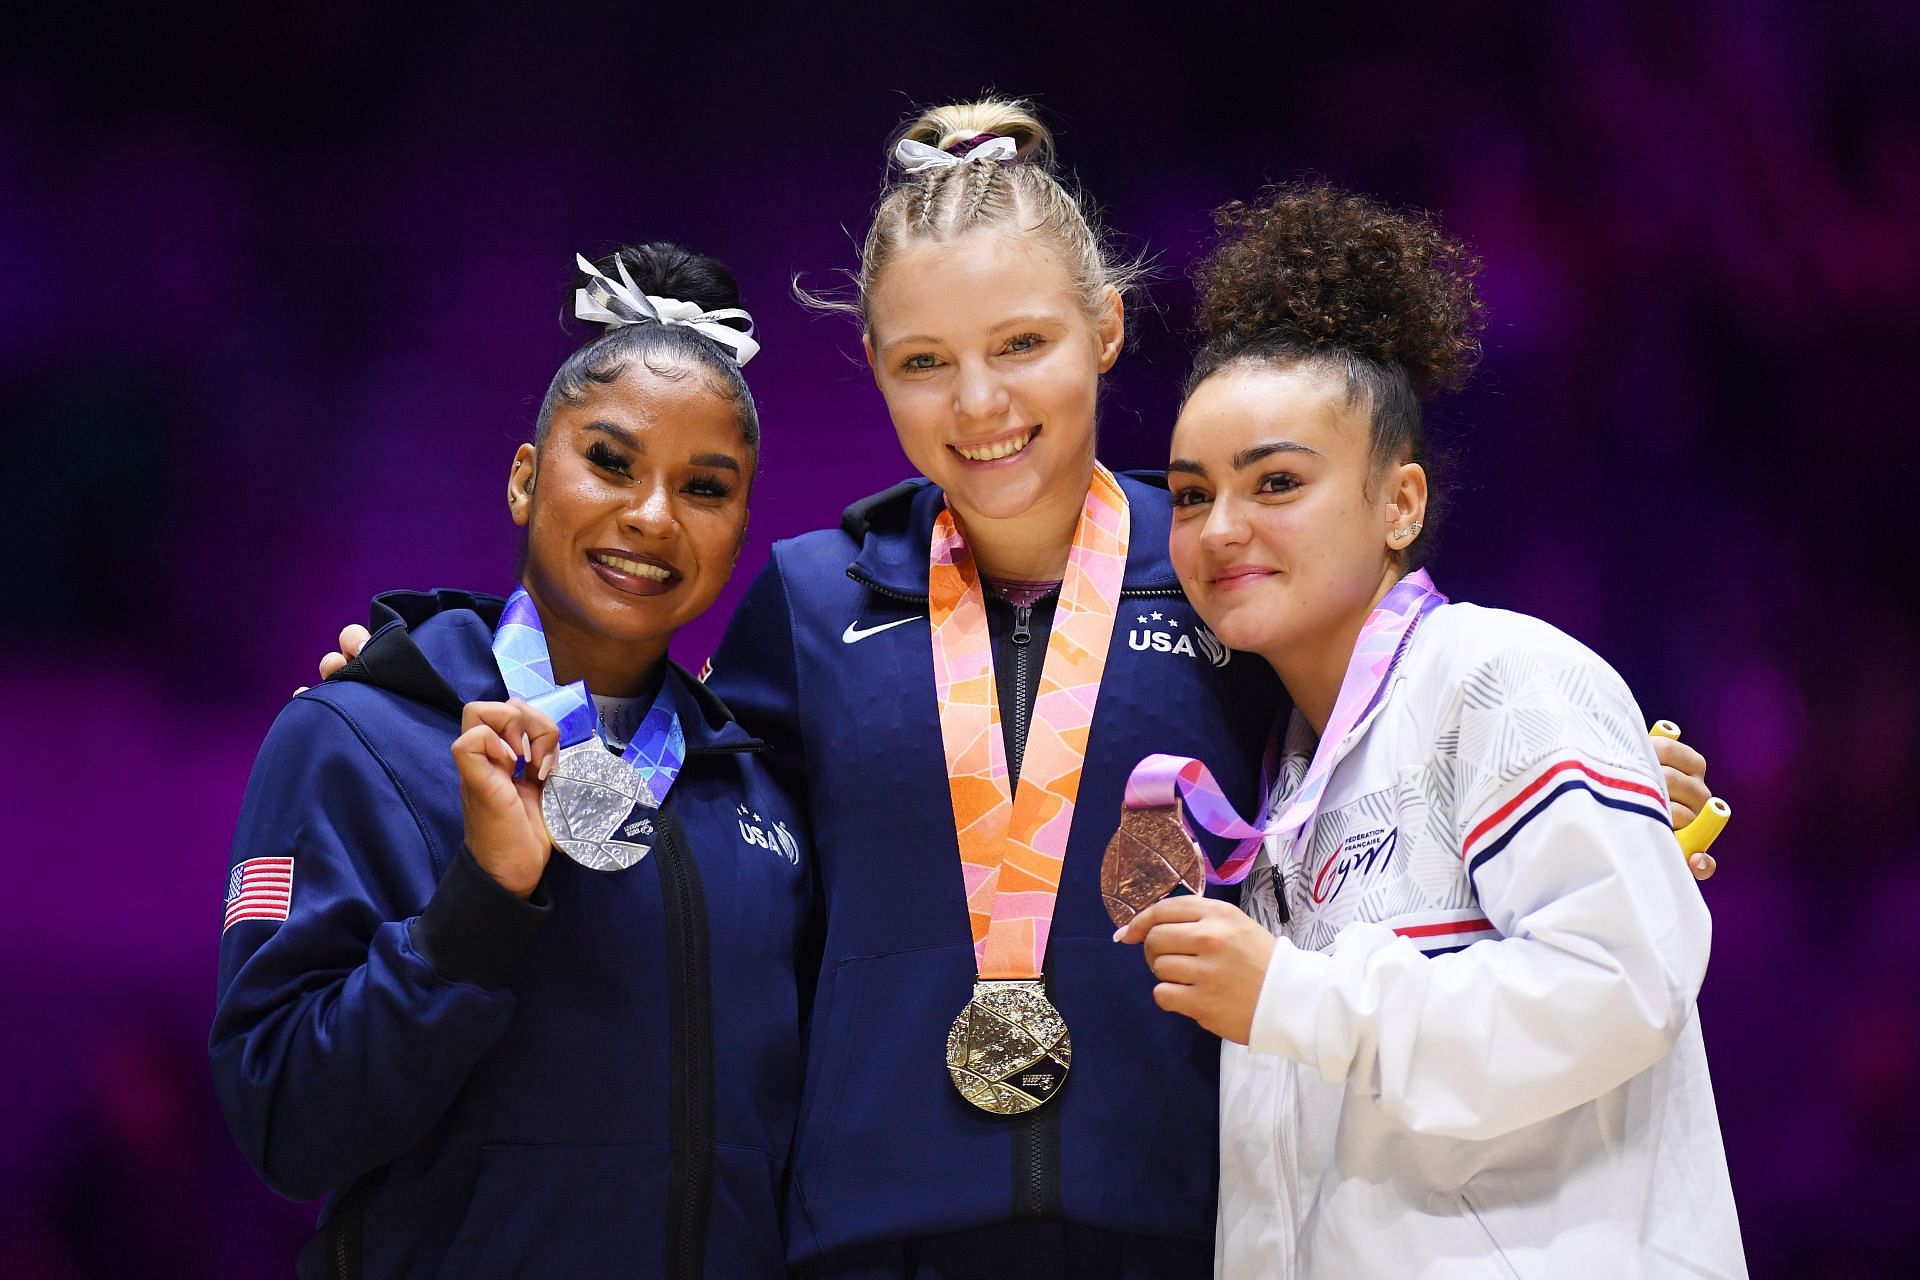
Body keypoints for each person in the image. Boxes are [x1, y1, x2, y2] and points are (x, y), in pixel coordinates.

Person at [317, 101, 1716, 1278]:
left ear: (1106, 328)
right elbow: (667, 825)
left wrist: (1599, 787)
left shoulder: (1227, 573)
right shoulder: (812, 600)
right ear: (872, 369)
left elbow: (1369, 752)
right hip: (877, 1240)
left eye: (1023, 346)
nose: (978, 402)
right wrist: (431, 677)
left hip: (1180, 1226)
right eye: (926, 362)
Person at [1116, 183, 1745, 1277]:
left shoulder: (1504, 677)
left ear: (1399, 502)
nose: (1221, 528)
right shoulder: (1278, 785)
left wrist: (1298, 996)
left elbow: (1623, 982)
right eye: (1187, 493)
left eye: (1276, 482)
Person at [212, 243, 811, 1279]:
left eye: (704, 487)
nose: (653, 515)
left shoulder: (761, 791)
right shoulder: (355, 738)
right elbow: (285, 1122)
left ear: (741, 525)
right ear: (526, 479)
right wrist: (479, 902)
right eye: (612, 462)